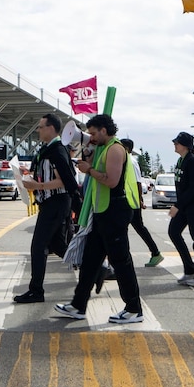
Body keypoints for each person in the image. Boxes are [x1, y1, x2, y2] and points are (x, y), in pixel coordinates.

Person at [53, 114, 145, 324]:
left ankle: (133, 308)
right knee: (90, 260)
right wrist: (88, 154)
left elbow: (111, 181)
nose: (91, 137)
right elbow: (94, 166)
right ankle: (78, 305)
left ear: (104, 130)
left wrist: (89, 170)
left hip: (115, 211)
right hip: (104, 211)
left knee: (121, 261)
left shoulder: (115, 149)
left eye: (93, 133)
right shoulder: (103, 148)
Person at [16, 113, 80, 303]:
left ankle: (36, 290)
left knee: (38, 247)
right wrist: (27, 173)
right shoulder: (48, 149)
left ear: (51, 128)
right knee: (57, 245)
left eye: (41, 126)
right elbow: (47, 174)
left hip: (56, 203)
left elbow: (64, 181)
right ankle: (98, 270)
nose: (38, 130)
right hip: (51, 204)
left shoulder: (57, 150)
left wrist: (37, 186)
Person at [166, 130, 194, 287]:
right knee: (173, 231)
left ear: (185, 145)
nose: (174, 145)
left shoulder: (193, 161)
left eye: (177, 143)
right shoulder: (181, 161)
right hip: (186, 205)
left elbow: (193, 187)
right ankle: (189, 268)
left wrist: (178, 206)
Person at [120, 137, 164, 267]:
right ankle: (155, 252)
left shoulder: (130, 161)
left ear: (126, 149)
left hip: (131, 200)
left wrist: (139, 199)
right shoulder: (129, 160)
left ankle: (153, 253)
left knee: (126, 228)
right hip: (131, 200)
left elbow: (138, 182)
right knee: (137, 227)